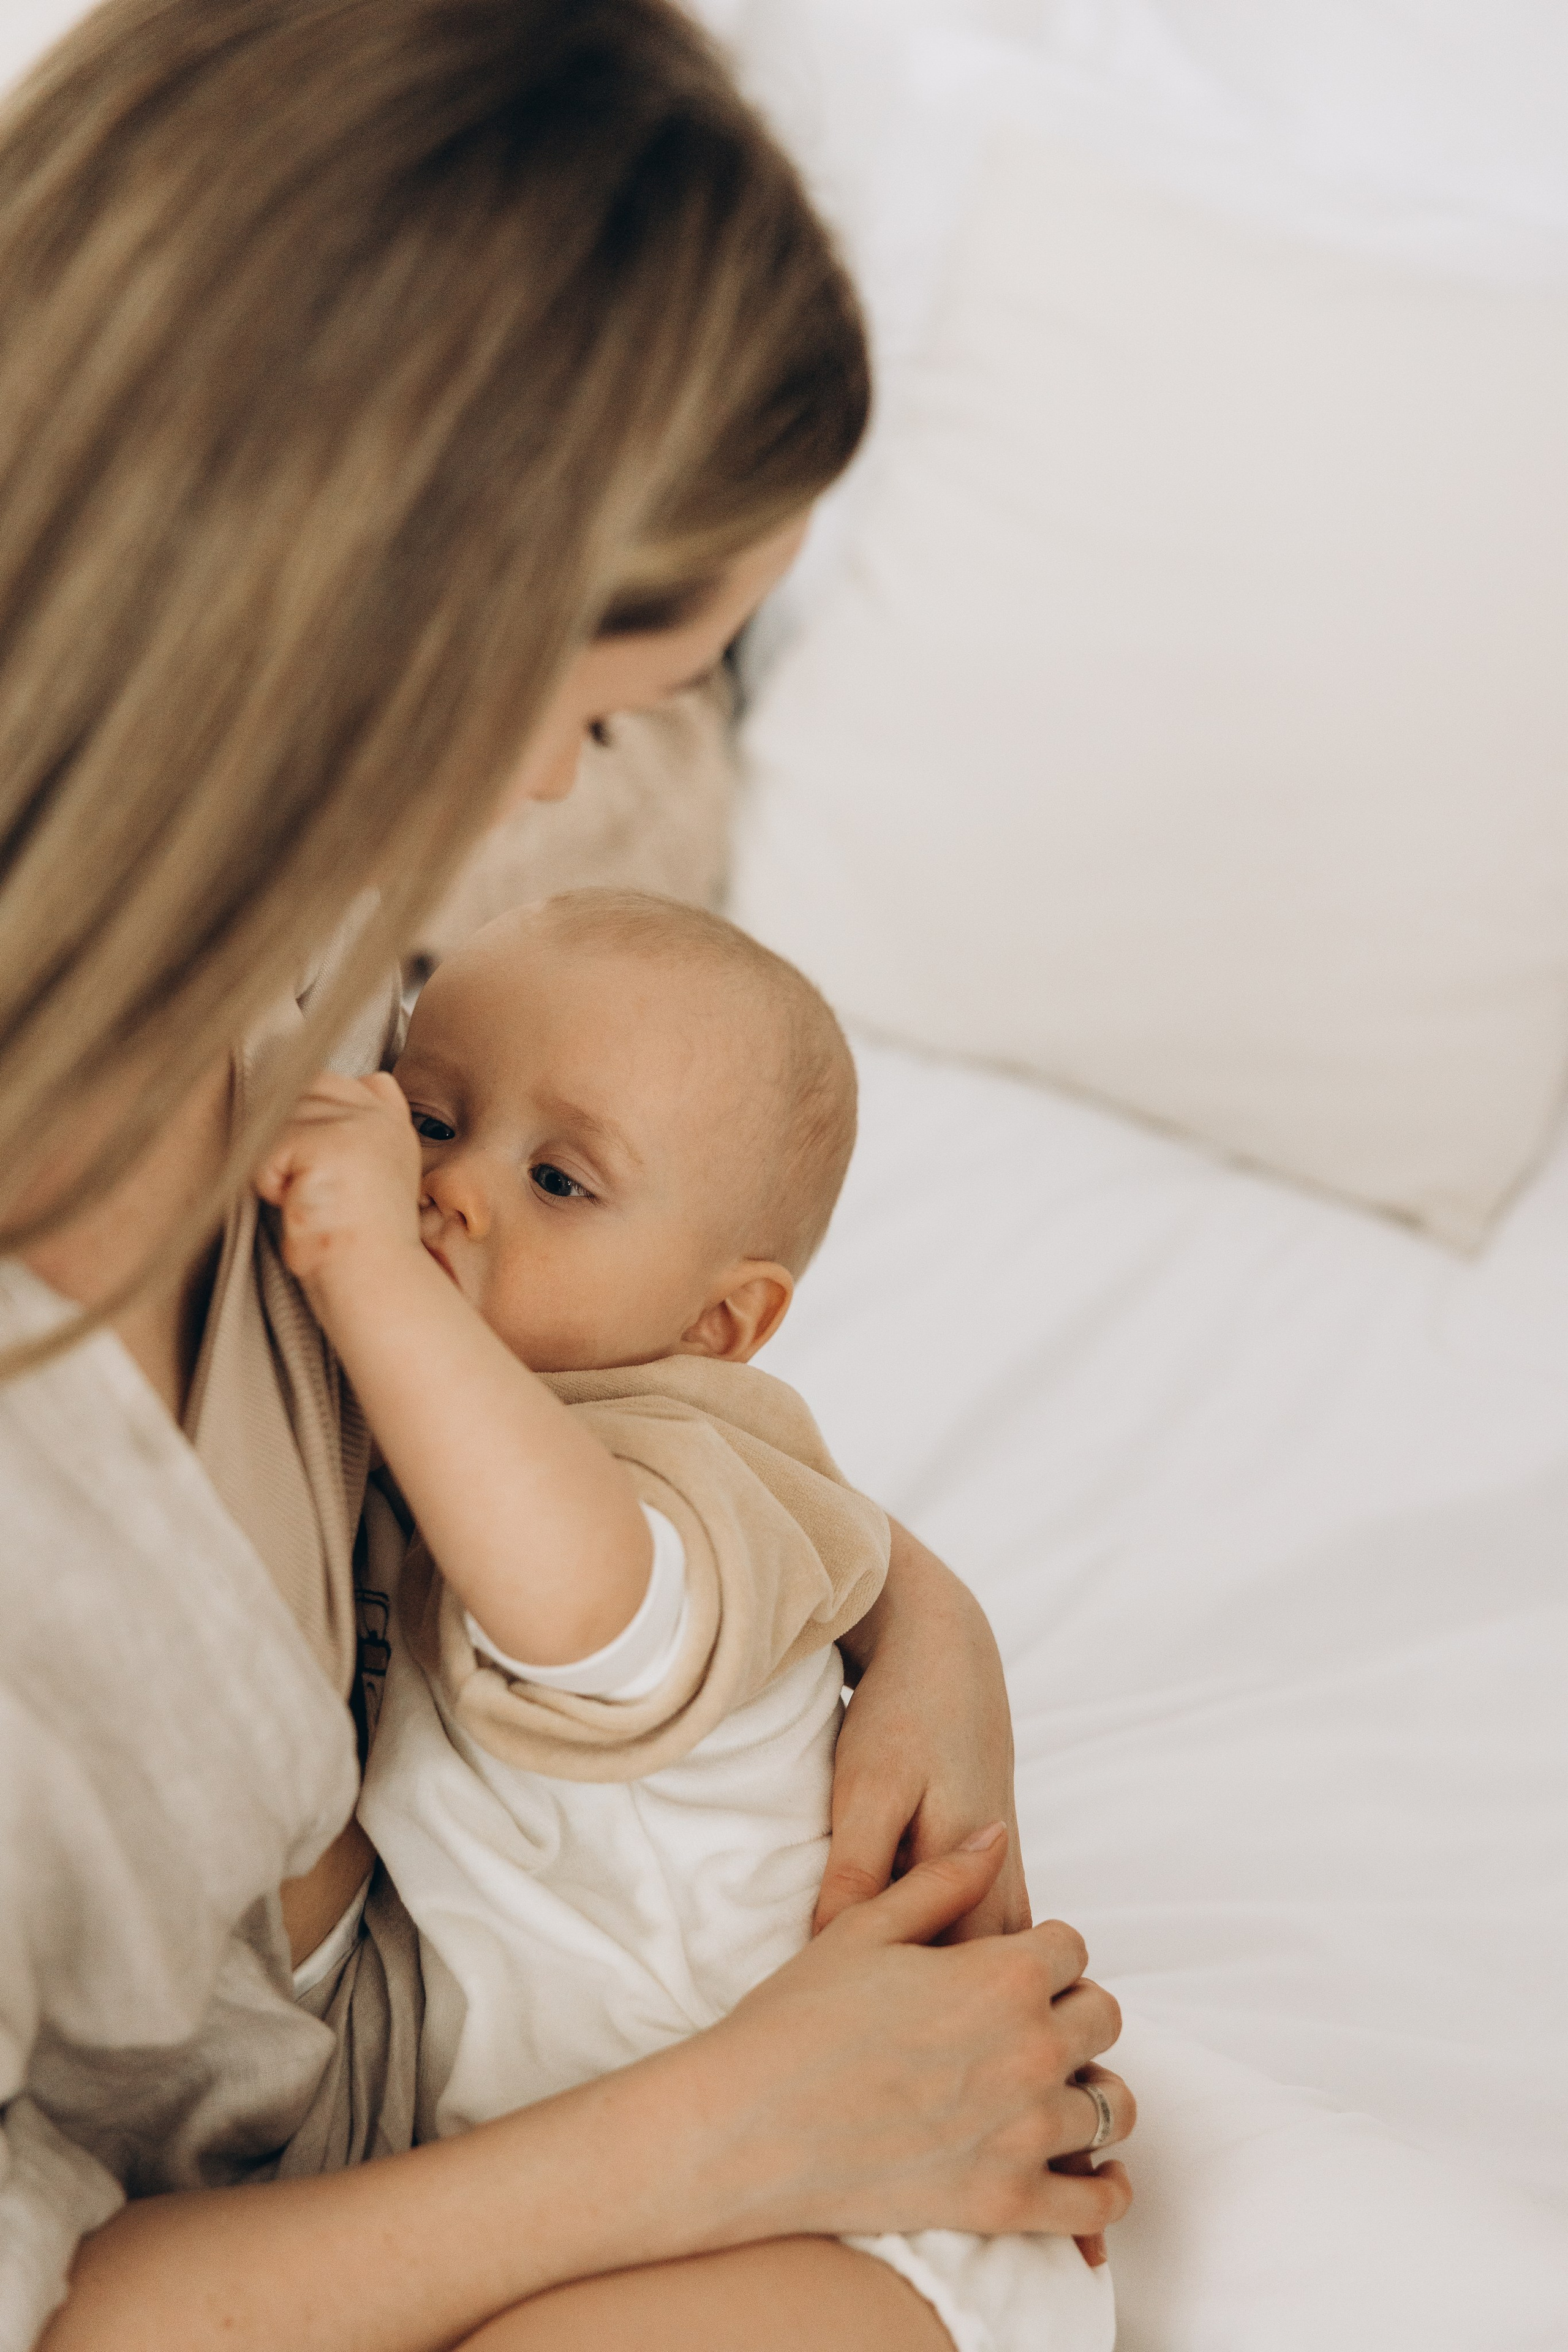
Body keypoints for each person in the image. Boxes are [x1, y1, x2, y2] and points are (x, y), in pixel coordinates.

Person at [0, 6, 1133, 2348]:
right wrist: (731, 2132)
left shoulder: (302, 972)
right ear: (365, 620)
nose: (544, 793)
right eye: (588, 698)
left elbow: (578, 1451)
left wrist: (925, 1630)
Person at [258, 886, 1123, 2352]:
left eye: (560, 1182)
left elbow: (587, 1609)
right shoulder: (427, 1449)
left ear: (721, 1325)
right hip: (625, 2197)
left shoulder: (690, 1463)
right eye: (432, 1118)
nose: (450, 1188)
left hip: (878, 2206)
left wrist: (363, 1263)